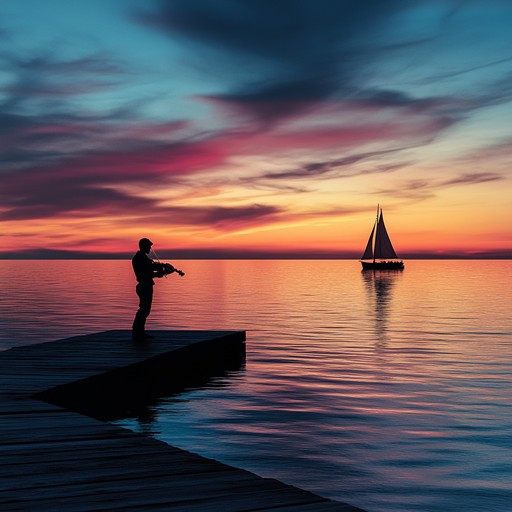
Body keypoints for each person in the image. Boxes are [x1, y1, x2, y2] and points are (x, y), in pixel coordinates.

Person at [131, 238, 174, 341]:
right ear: (144, 246)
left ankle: (139, 331)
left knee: (144, 309)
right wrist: (162, 272)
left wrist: (161, 269)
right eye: (149, 246)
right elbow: (149, 271)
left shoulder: (142, 258)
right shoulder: (141, 258)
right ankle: (137, 332)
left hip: (145, 285)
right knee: (144, 310)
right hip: (144, 286)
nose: (150, 248)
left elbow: (152, 268)